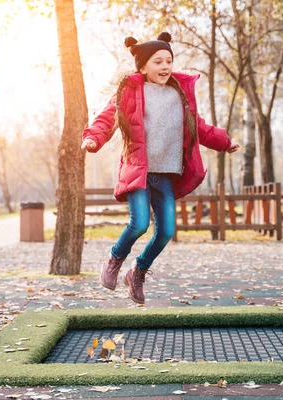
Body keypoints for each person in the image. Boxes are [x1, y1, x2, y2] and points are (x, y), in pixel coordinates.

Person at [81, 32, 240, 305]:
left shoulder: (180, 94)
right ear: (143, 67)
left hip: (165, 173)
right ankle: (114, 259)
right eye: (158, 62)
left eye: (168, 60)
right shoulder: (130, 90)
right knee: (140, 223)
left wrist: (224, 142)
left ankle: (138, 271)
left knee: (166, 231)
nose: (165, 66)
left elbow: (198, 127)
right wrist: (93, 138)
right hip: (139, 170)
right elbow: (107, 117)